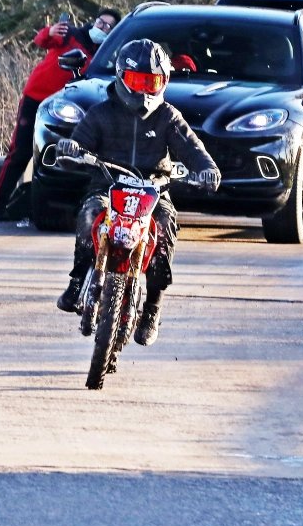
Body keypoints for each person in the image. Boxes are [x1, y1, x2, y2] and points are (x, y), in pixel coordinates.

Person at [55, 39, 221, 346]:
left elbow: (192, 148)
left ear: (164, 83)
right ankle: (78, 280)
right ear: (121, 77)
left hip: (154, 190)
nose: (145, 90)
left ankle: (152, 307)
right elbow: (79, 144)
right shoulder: (101, 113)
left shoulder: (169, 117)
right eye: (137, 81)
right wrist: (71, 149)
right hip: (108, 185)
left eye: (152, 82)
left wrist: (207, 168)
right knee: (89, 214)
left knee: (165, 232)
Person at [0, 7, 122, 220]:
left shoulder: (102, 57)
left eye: (108, 27)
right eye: (100, 22)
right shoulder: (70, 35)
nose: (102, 28)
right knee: (20, 152)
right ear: (94, 21)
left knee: (55, 157)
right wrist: (49, 31)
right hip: (35, 97)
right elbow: (41, 40)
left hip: (61, 109)